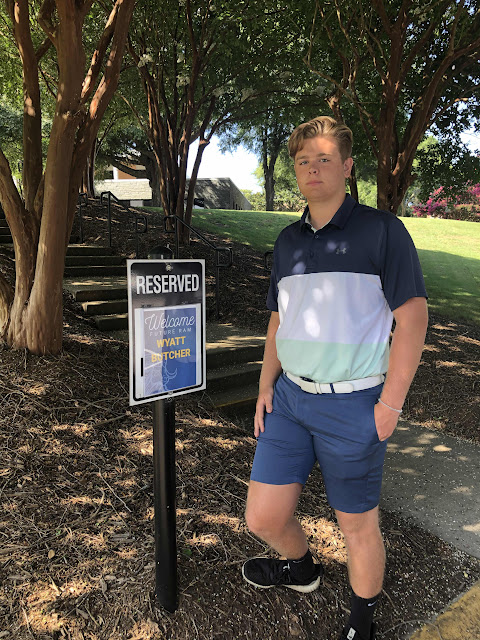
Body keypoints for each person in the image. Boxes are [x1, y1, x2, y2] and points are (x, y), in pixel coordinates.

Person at [242, 116, 428, 640]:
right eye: (303, 161)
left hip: (354, 404)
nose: (312, 168)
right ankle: (302, 569)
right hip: (289, 400)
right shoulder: (287, 241)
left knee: (357, 526)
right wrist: (265, 385)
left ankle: (362, 623)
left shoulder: (382, 231)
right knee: (263, 517)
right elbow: (278, 319)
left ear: (347, 167)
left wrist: (390, 405)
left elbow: (413, 317)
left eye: (323, 159)